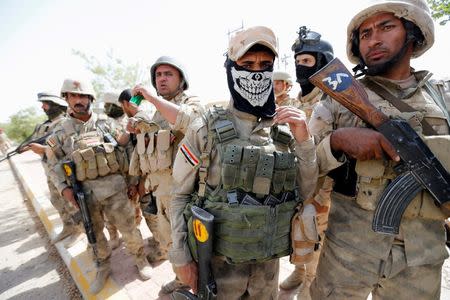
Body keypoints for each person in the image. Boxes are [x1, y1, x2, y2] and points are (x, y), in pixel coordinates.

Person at [308, 0, 450, 299]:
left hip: (420, 259)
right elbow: (303, 168)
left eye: (387, 27)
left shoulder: (443, 98)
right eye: (365, 33)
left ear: (412, 33)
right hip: (347, 254)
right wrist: (337, 142)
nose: (373, 39)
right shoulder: (337, 99)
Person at [169, 26, 318, 299]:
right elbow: (179, 195)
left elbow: (306, 193)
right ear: (230, 68)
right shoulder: (205, 127)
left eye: (265, 65)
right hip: (218, 267)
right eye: (246, 64)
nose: (256, 72)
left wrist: (305, 142)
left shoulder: (286, 128)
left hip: (267, 269)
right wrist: (180, 256)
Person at [45, 79, 152, 294]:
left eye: (83, 96)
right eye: (73, 96)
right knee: (94, 235)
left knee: (129, 229)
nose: (78, 100)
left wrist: (132, 182)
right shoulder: (60, 133)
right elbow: (53, 165)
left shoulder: (107, 124)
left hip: (115, 191)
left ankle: (140, 259)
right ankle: (102, 267)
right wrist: (65, 190)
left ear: (90, 99)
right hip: (85, 195)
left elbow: (127, 150)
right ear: (66, 99)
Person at [130, 56, 204, 294]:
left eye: (168, 74)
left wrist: (150, 98)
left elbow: (191, 120)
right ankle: (181, 280)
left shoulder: (190, 101)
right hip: (161, 191)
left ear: (181, 79)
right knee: (171, 241)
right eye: (158, 75)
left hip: (187, 192)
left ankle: (202, 286)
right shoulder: (156, 114)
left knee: (193, 245)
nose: (161, 79)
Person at [279, 26, 335, 297]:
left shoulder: (334, 102)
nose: (301, 67)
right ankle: (300, 272)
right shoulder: (298, 102)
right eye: (298, 61)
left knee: (317, 242)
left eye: (307, 61)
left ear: (322, 63)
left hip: (325, 191)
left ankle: (309, 285)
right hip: (299, 184)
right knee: (299, 235)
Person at [21, 92, 80, 244]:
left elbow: (66, 148)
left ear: (54, 105)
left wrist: (43, 149)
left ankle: (79, 230)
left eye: (45, 104)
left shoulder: (65, 123)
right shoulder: (45, 125)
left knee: (72, 203)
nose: (42, 107)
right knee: (56, 200)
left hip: (64, 171)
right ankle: (68, 227)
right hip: (50, 171)